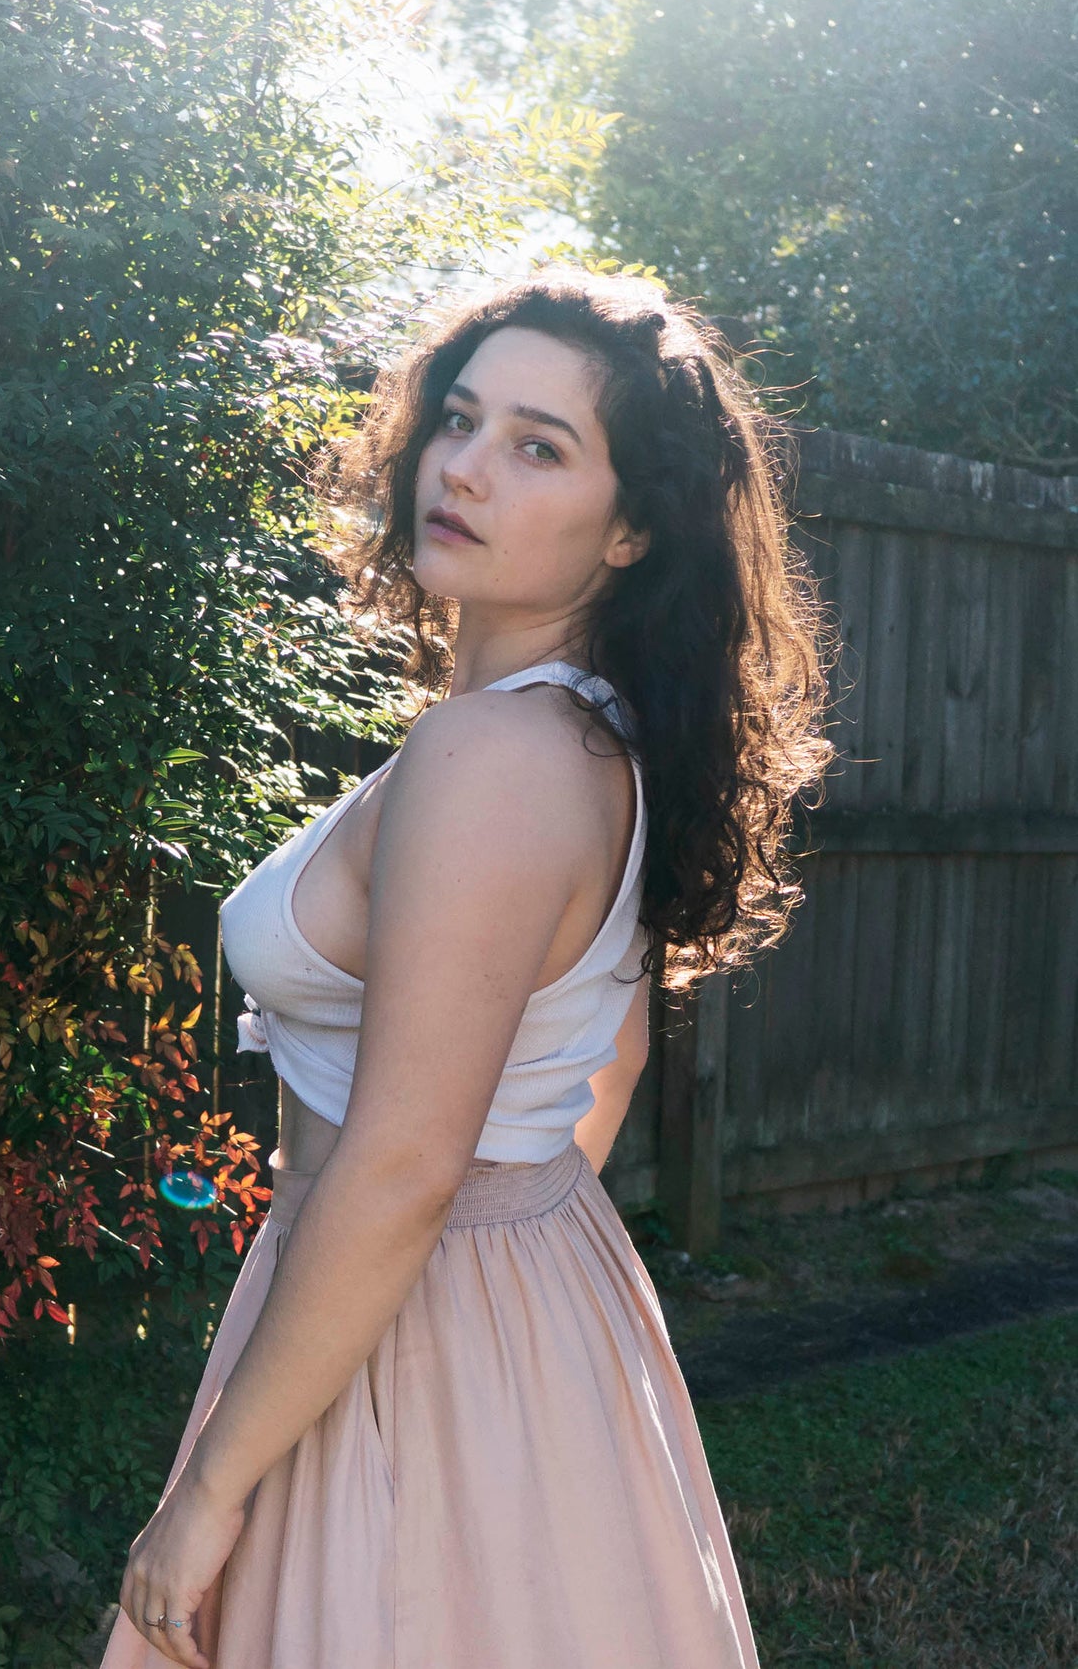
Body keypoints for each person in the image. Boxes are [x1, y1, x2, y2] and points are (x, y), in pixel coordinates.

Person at [100, 267, 835, 1669]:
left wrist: (207, 1492)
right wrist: (520, 1245)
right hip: (486, 1299)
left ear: (629, 532)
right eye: (461, 418)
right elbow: (604, 1061)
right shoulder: (578, 737)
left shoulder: (494, 757)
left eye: (538, 446)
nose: (465, 467)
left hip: (405, 1310)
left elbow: (402, 1167)